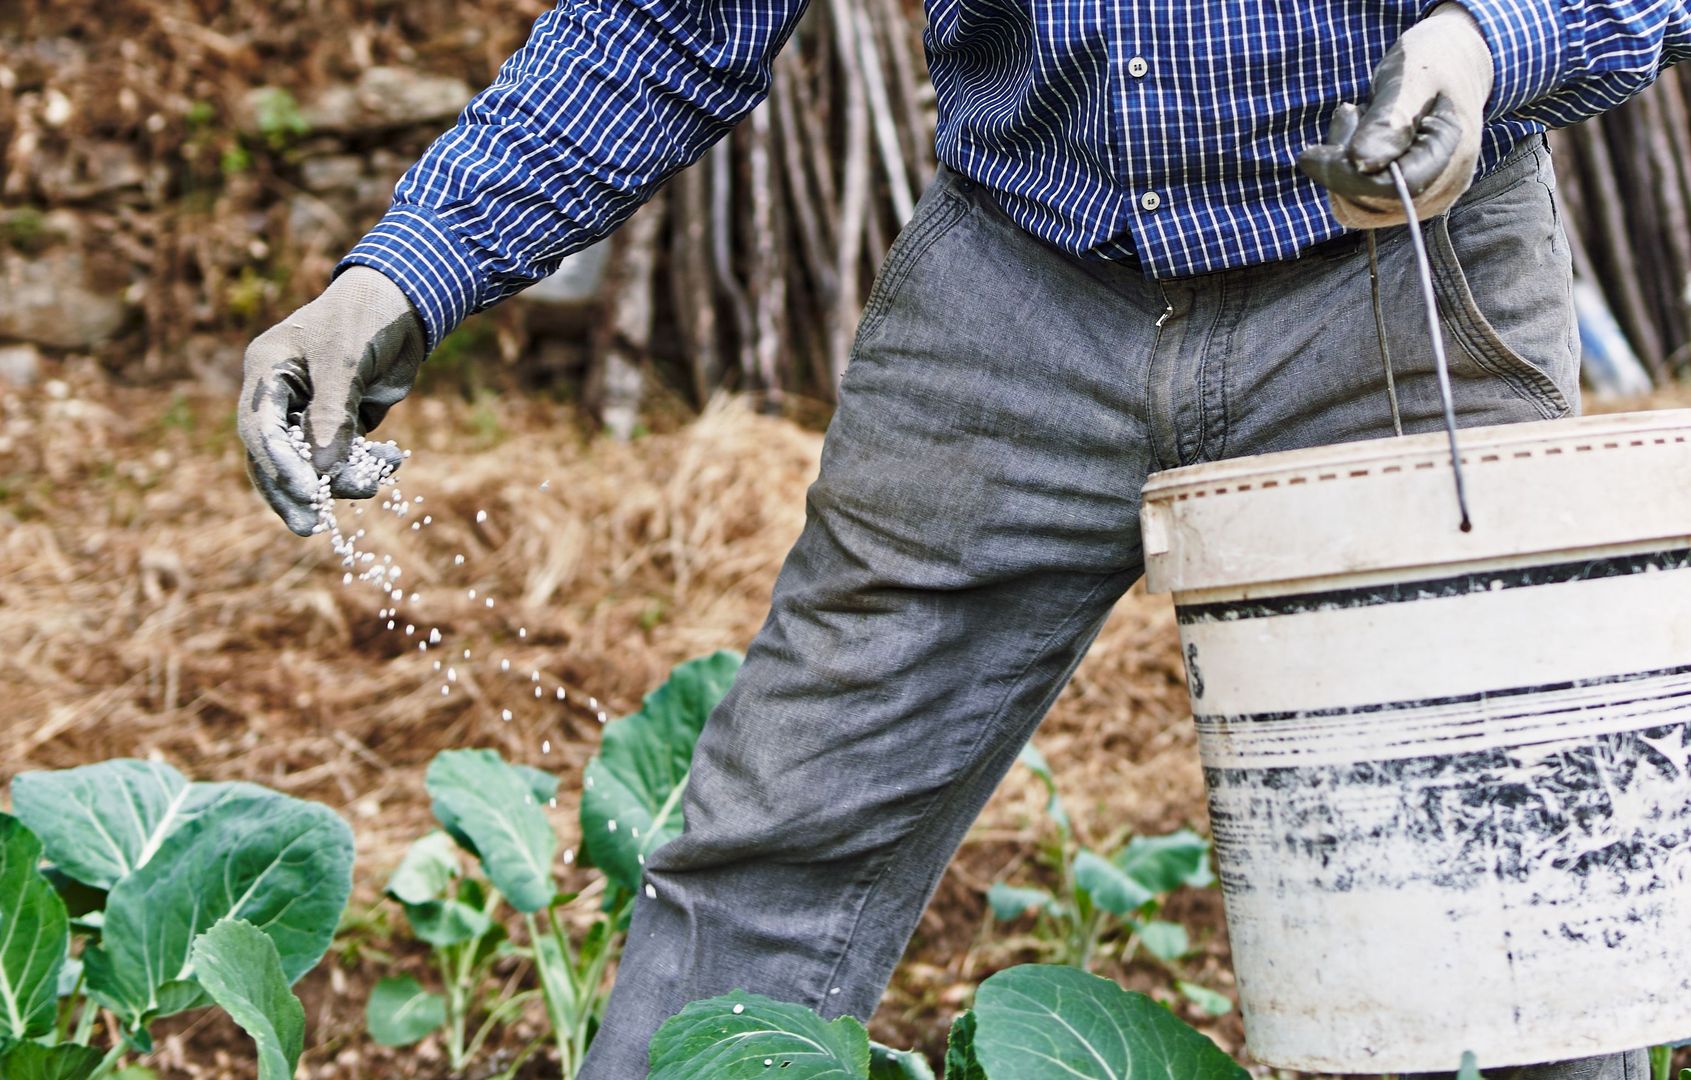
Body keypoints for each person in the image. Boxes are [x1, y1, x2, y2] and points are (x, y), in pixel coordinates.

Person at [237, 2, 1691, 1076]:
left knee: (1501, 919)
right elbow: (671, 19)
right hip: (1016, 286)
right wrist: (393, 281)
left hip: (1395, 282)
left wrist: (1500, 40)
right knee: (775, 853)